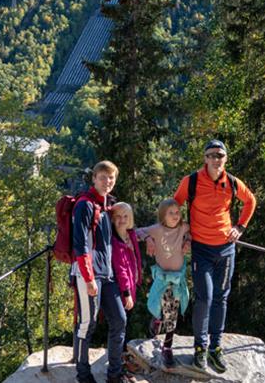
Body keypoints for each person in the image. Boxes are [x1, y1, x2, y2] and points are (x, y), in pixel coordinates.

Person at [172, 139, 256, 373]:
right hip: (201, 249)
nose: (216, 159)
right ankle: (200, 347)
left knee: (221, 298)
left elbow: (250, 201)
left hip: (226, 249)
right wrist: (183, 231)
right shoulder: (191, 181)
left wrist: (240, 227)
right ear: (205, 158)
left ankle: (215, 347)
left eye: (220, 155)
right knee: (205, 298)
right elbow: (173, 206)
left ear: (225, 158)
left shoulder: (232, 182)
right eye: (211, 155)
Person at [70, 160, 132, 383]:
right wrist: (88, 278)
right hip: (87, 275)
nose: (107, 181)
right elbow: (80, 245)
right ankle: (83, 375)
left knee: (119, 320)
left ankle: (114, 374)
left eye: (111, 178)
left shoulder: (106, 206)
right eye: (103, 177)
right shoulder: (85, 205)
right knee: (87, 325)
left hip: (107, 275)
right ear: (94, 179)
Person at [137, 198, 191, 367]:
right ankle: (157, 318)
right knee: (159, 305)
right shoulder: (157, 229)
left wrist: (188, 240)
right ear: (162, 216)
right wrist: (148, 238)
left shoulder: (183, 227)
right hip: (162, 278)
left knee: (172, 312)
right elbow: (137, 231)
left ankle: (167, 346)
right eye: (171, 213)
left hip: (177, 279)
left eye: (177, 212)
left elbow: (194, 230)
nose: (175, 216)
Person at [109, 202, 141, 318]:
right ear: (113, 218)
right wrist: (127, 293)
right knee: (121, 319)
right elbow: (120, 269)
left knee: (127, 318)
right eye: (118, 216)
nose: (122, 219)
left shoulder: (131, 235)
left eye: (125, 216)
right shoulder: (114, 241)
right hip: (122, 289)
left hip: (132, 283)